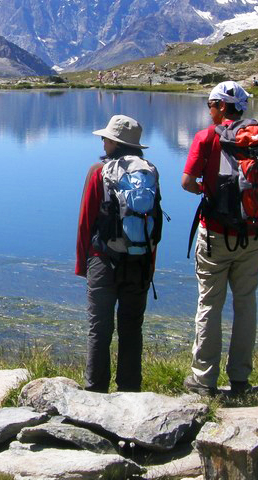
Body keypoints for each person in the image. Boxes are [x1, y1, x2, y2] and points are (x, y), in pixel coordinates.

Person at [180, 81, 258, 396]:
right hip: (253, 235)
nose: (209, 110)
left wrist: (207, 191)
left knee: (210, 304)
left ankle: (203, 381)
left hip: (214, 235)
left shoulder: (206, 137)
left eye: (210, 105)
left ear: (222, 106)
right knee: (246, 304)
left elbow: (187, 182)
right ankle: (240, 379)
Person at [75, 114, 157, 392]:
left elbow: (86, 221)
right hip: (140, 261)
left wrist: (82, 264)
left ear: (114, 143)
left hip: (102, 260)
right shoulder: (150, 171)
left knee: (99, 329)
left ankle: (95, 391)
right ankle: (130, 391)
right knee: (132, 328)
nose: (102, 141)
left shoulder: (98, 172)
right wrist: (150, 263)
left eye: (106, 138)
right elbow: (152, 223)